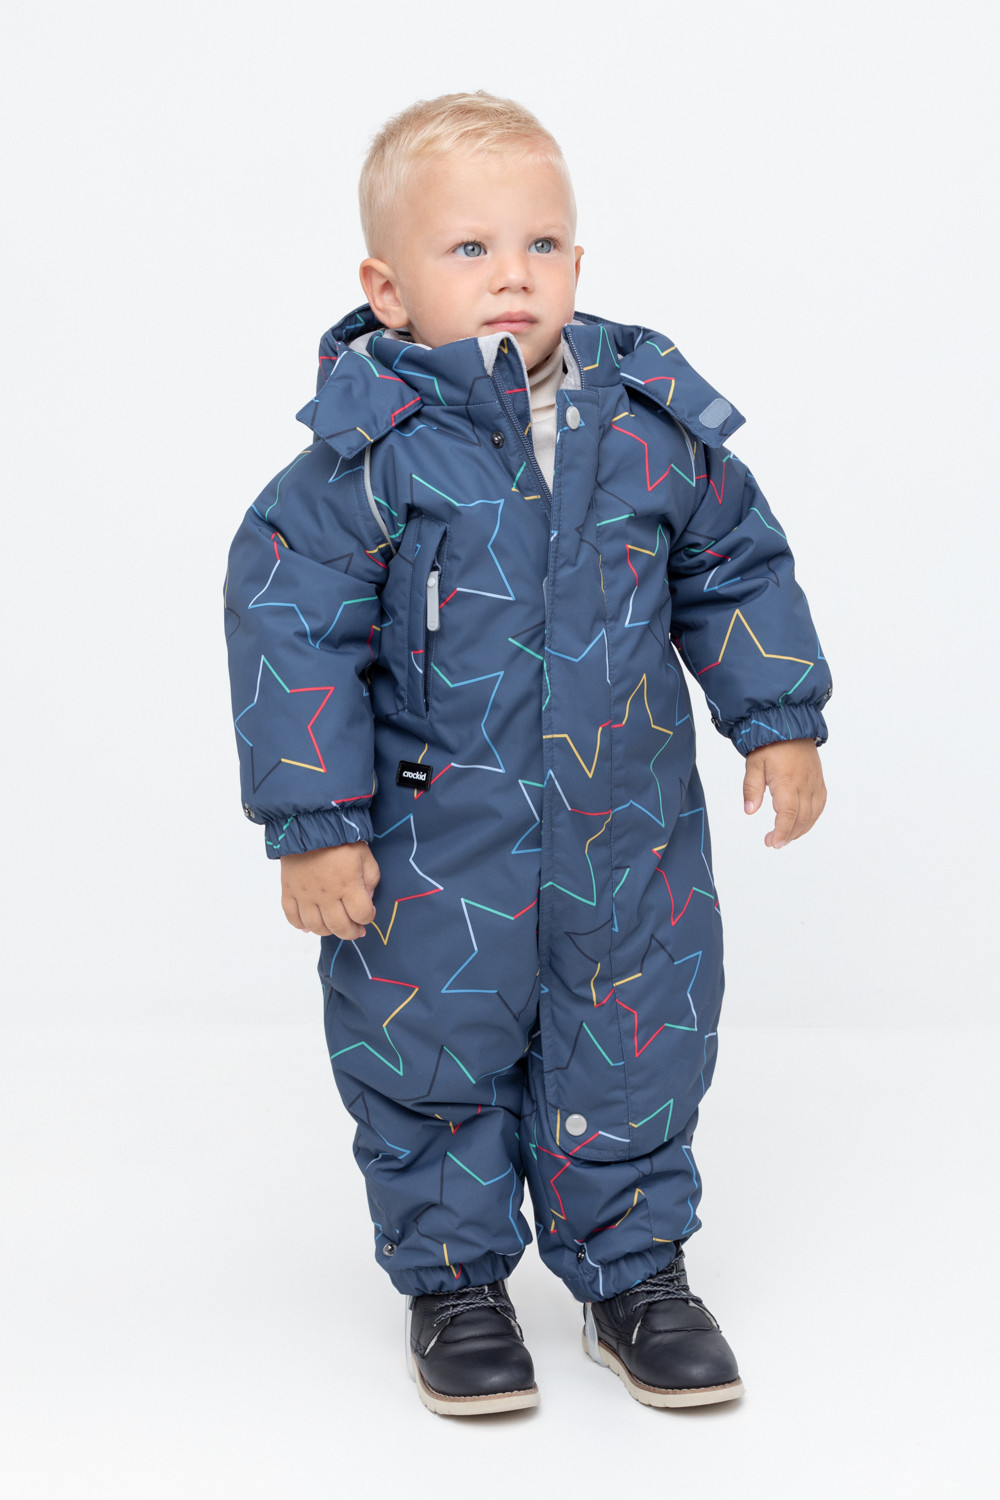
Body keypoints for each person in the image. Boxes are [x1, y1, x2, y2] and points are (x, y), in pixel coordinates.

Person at [224, 90, 831, 1417]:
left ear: (578, 260)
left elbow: (735, 568)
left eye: (541, 244)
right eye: (470, 249)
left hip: (627, 840)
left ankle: (636, 1273)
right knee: (427, 1054)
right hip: (432, 846)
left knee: (638, 1043)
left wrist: (780, 719)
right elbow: (291, 630)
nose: (514, 274)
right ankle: (452, 1285)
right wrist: (314, 826)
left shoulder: (648, 432)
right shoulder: (367, 462)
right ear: (388, 290)